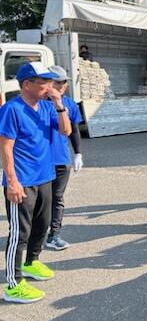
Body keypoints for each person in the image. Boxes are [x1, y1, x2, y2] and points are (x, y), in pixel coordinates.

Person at [0, 62, 72, 303]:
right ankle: (13, 284)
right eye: (44, 82)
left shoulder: (47, 106)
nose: (50, 86)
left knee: (42, 226)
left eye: (51, 82)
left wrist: (59, 104)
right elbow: (5, 147)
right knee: (20, 232)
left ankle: (31, 262)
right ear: (27, 84)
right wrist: (12, 181)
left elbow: (65, 131)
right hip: (22, 180)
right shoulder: (12, 109)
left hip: (45, 177)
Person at [45, 66, 84, 251]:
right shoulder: (38, 103)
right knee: (39, 200)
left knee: (57, 198)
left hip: (61, 159)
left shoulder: (69, 104)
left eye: (64, 82)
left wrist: (78, 153)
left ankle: (54, 235)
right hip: (40, 160)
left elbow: (74, 130)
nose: (62, 85)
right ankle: (33, 232)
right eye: (58, 82)